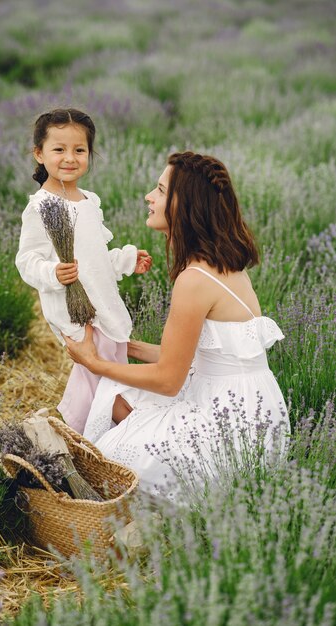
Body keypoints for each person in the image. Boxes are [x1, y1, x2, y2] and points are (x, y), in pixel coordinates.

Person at [64, 151, 290, 499]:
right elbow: (196, 355)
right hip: (256, 412)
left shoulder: (195, 279)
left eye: (159, 190)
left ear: (184, 206)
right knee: (118, 396)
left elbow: (170, 380)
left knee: (114, 444)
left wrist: (93, 361)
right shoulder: (226, 264)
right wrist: (124, 346)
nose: (148, 197)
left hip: (230, 427)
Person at [16, 108, 152, 434]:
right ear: (39, 153)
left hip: (103, 301)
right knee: (102, 377)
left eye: (80, 150)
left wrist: (126, 261)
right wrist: (52, 272)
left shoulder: (89, 200)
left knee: (113, 370)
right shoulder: (40, 206)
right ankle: (133, 431)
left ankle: (105, 438)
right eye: (59, 149)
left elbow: (96, 258)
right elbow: (26, 259)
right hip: (76, 310)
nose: (70, 158)